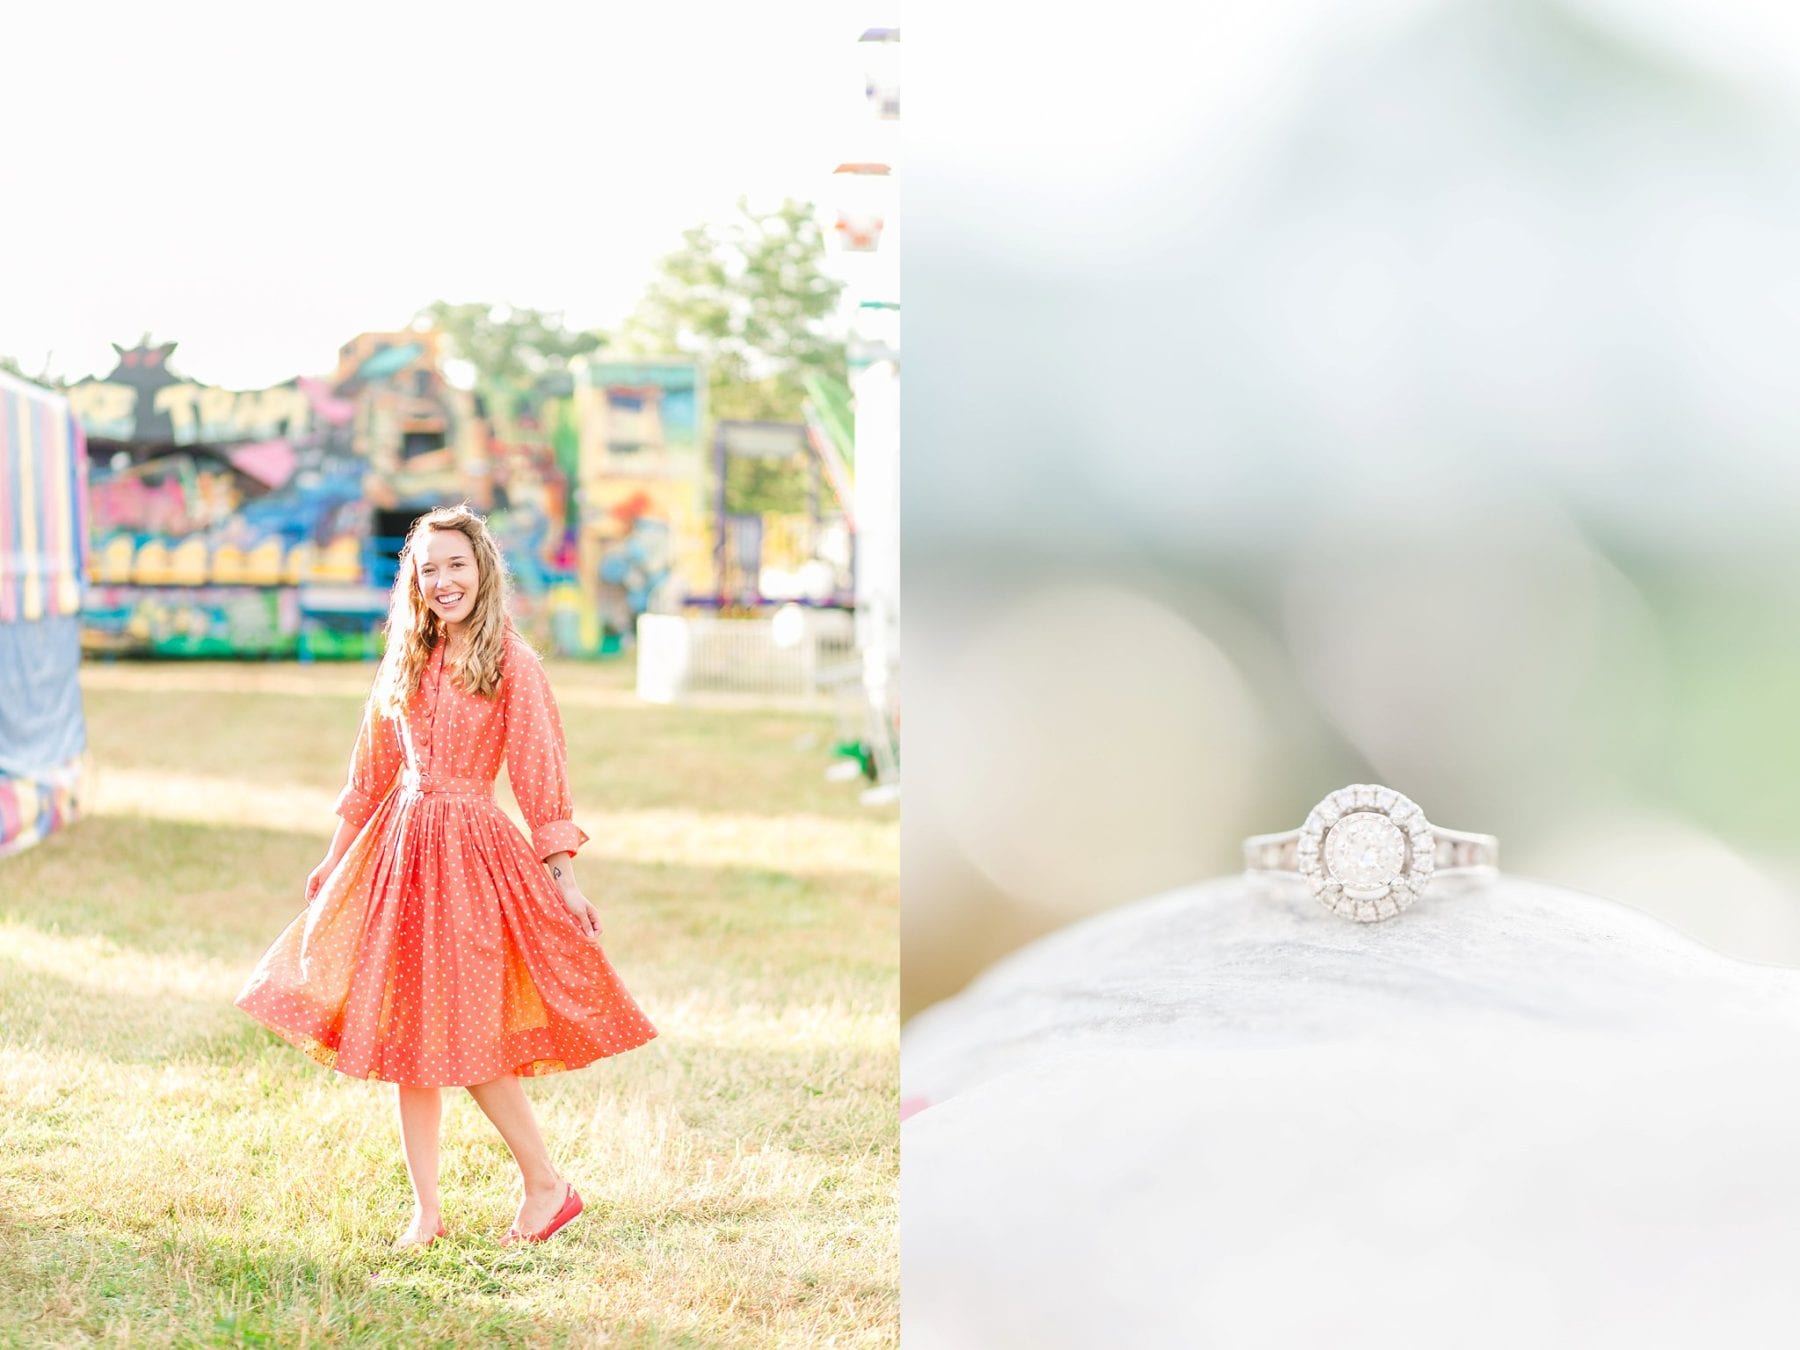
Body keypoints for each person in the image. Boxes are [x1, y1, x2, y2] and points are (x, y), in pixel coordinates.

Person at [235, 502, 657, 1250]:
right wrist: (335, 857)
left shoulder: (512, 664)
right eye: (428, 569)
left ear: (482, 568)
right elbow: (370, 771)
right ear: (414, 581)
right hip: (400, 855)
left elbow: (538, 775)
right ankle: (425, 1212)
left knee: (468, 1033)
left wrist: (561, 874)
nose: (443, 580)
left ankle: (547, 1186)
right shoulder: (405, 657)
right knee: (407, 1033)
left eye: (456, 564)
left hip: (470, 857)